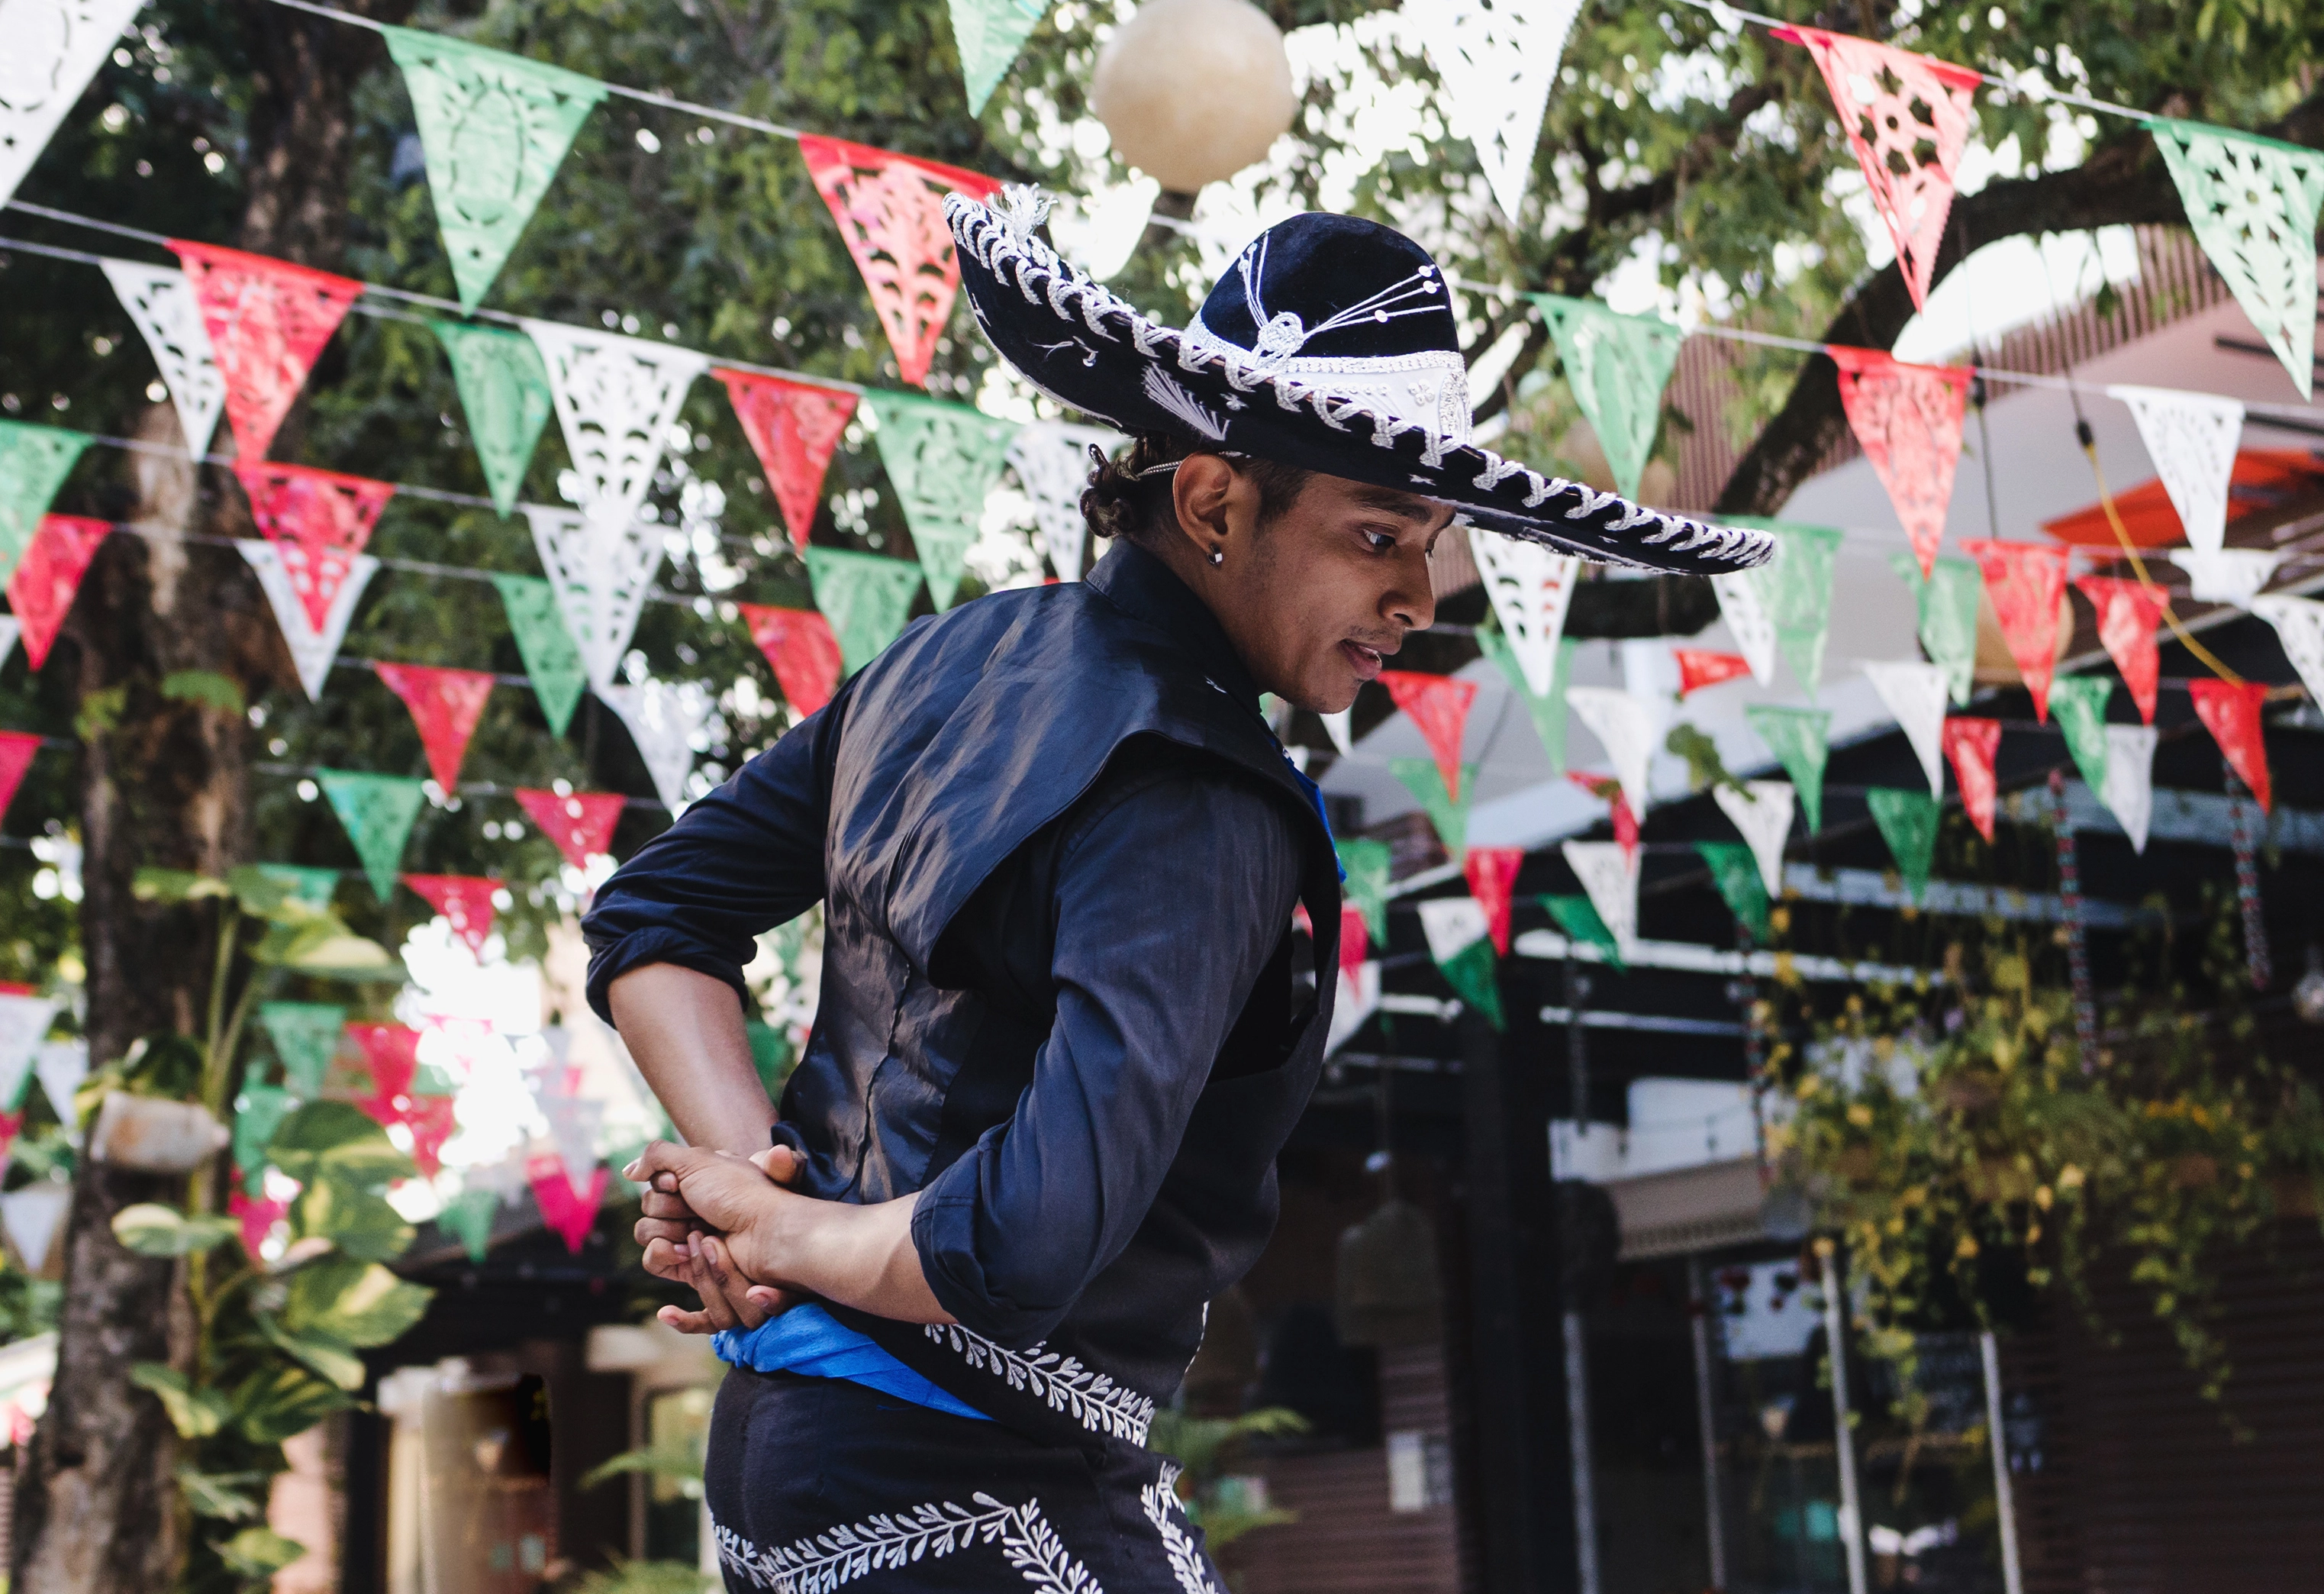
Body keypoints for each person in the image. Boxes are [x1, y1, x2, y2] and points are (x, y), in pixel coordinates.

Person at [582, 192, 1773, 1592]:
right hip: (988, 1496)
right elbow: (1026, 1241)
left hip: (799, 1475)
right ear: (1213, 499)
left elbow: (651, 916)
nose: (1423, 597)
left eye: (1431, 543)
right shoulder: (1207, 793)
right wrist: (772, 1222)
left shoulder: (949, 655)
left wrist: (751, 1195)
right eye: (1378, 537)